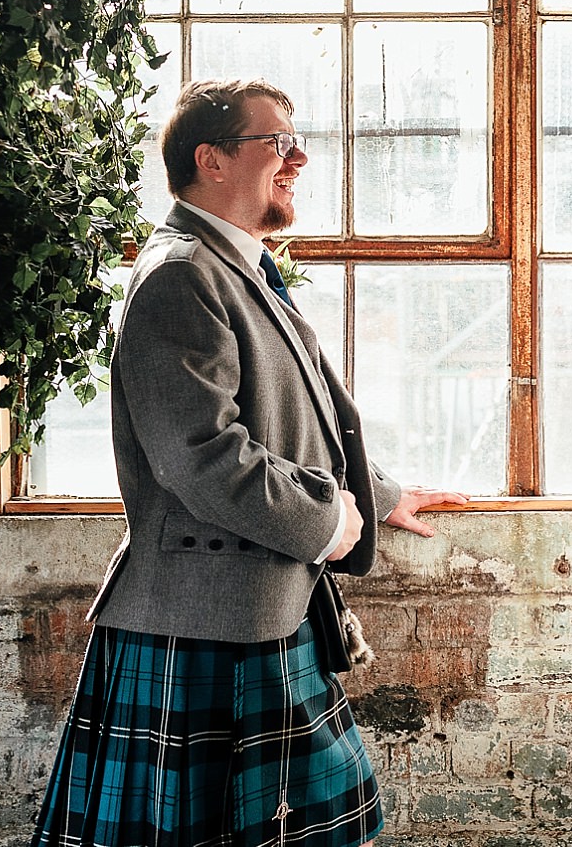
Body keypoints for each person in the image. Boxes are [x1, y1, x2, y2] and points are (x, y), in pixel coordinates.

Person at [32, 77, 465, 847]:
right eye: (278, 143)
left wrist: (382, 493)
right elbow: (203, 456)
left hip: (248, 610)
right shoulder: (179, 276)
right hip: (205, 621)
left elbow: (289, 417)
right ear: (213, 159)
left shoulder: (234, 264)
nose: (299, 157)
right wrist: (328, 521)